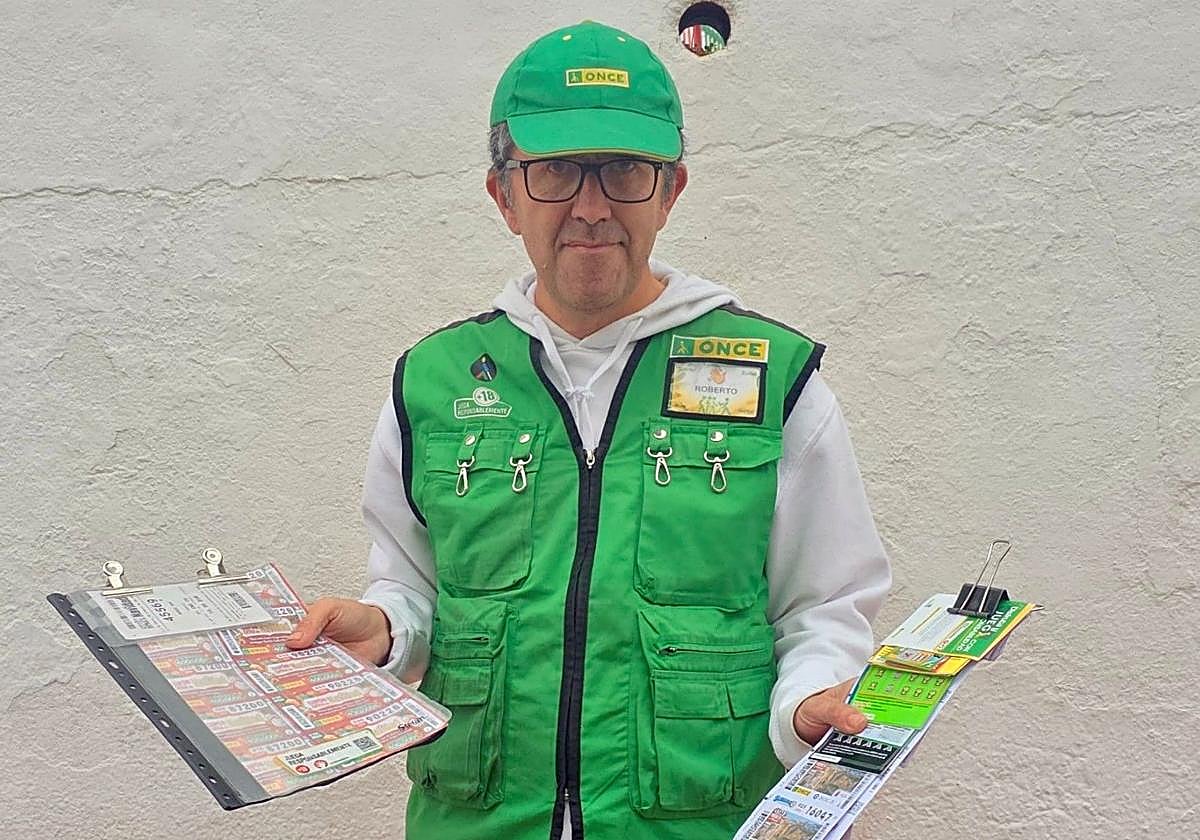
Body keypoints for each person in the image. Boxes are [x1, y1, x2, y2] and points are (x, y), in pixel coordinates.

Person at [287, 19, 890, 840]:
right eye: (557, 171)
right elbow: (415, 587)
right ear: (504, 195)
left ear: (671, 191)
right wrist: (387, 630)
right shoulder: (433, 382)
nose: (592, 207)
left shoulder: (776, 381)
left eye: (624, 171)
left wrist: (805, 705)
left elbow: (824, 604)